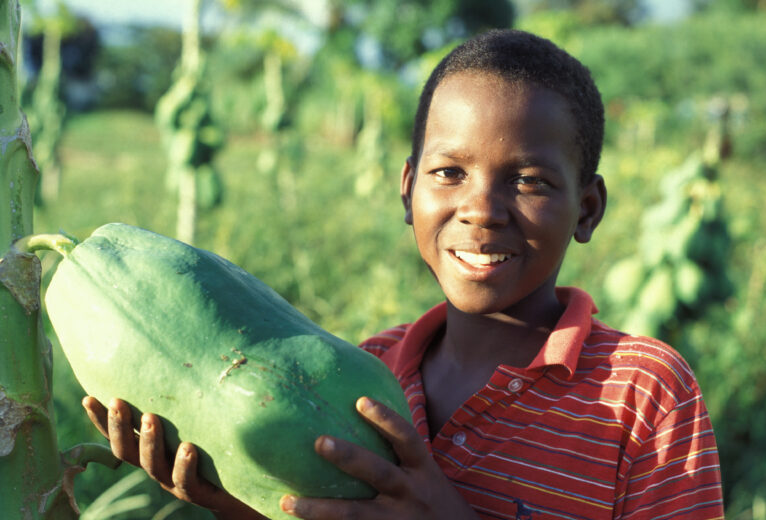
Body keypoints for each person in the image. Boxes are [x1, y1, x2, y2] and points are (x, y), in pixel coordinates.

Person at [83, 29, 725, 519]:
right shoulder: (362, 366)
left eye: (528, 180)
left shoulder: (643, 392)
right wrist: (243, 497)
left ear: (587, 209)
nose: (481, 210)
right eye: (450, 173)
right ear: (407, 190)